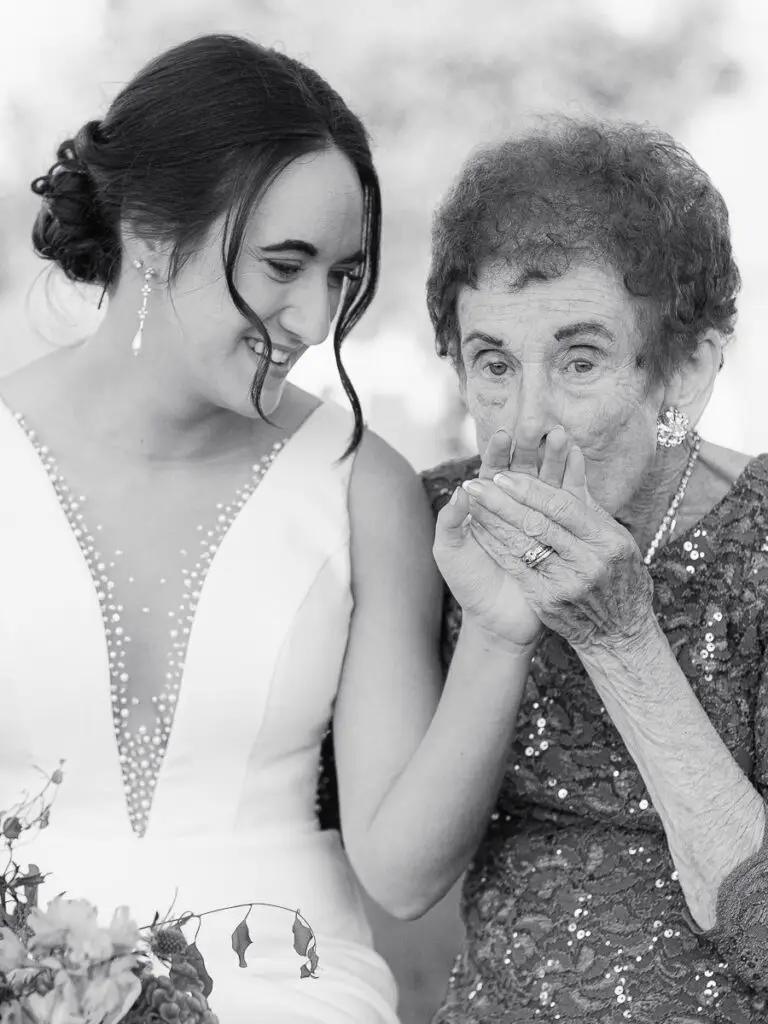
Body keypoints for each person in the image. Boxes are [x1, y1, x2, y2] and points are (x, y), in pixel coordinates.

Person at [0, 35, 581, 1024]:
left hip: (291, 991)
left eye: (341, 276)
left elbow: (401, 876)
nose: (315, 318)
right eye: (283, 265)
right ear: (149, 234)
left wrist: (497, 632)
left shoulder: (364, 487)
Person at [419, 117, 768, 1023]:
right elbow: (398, 875)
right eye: (493, 363)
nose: (527, 421)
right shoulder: (433, 527)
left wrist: (622, 638)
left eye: (580, 360)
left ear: (685, 375)